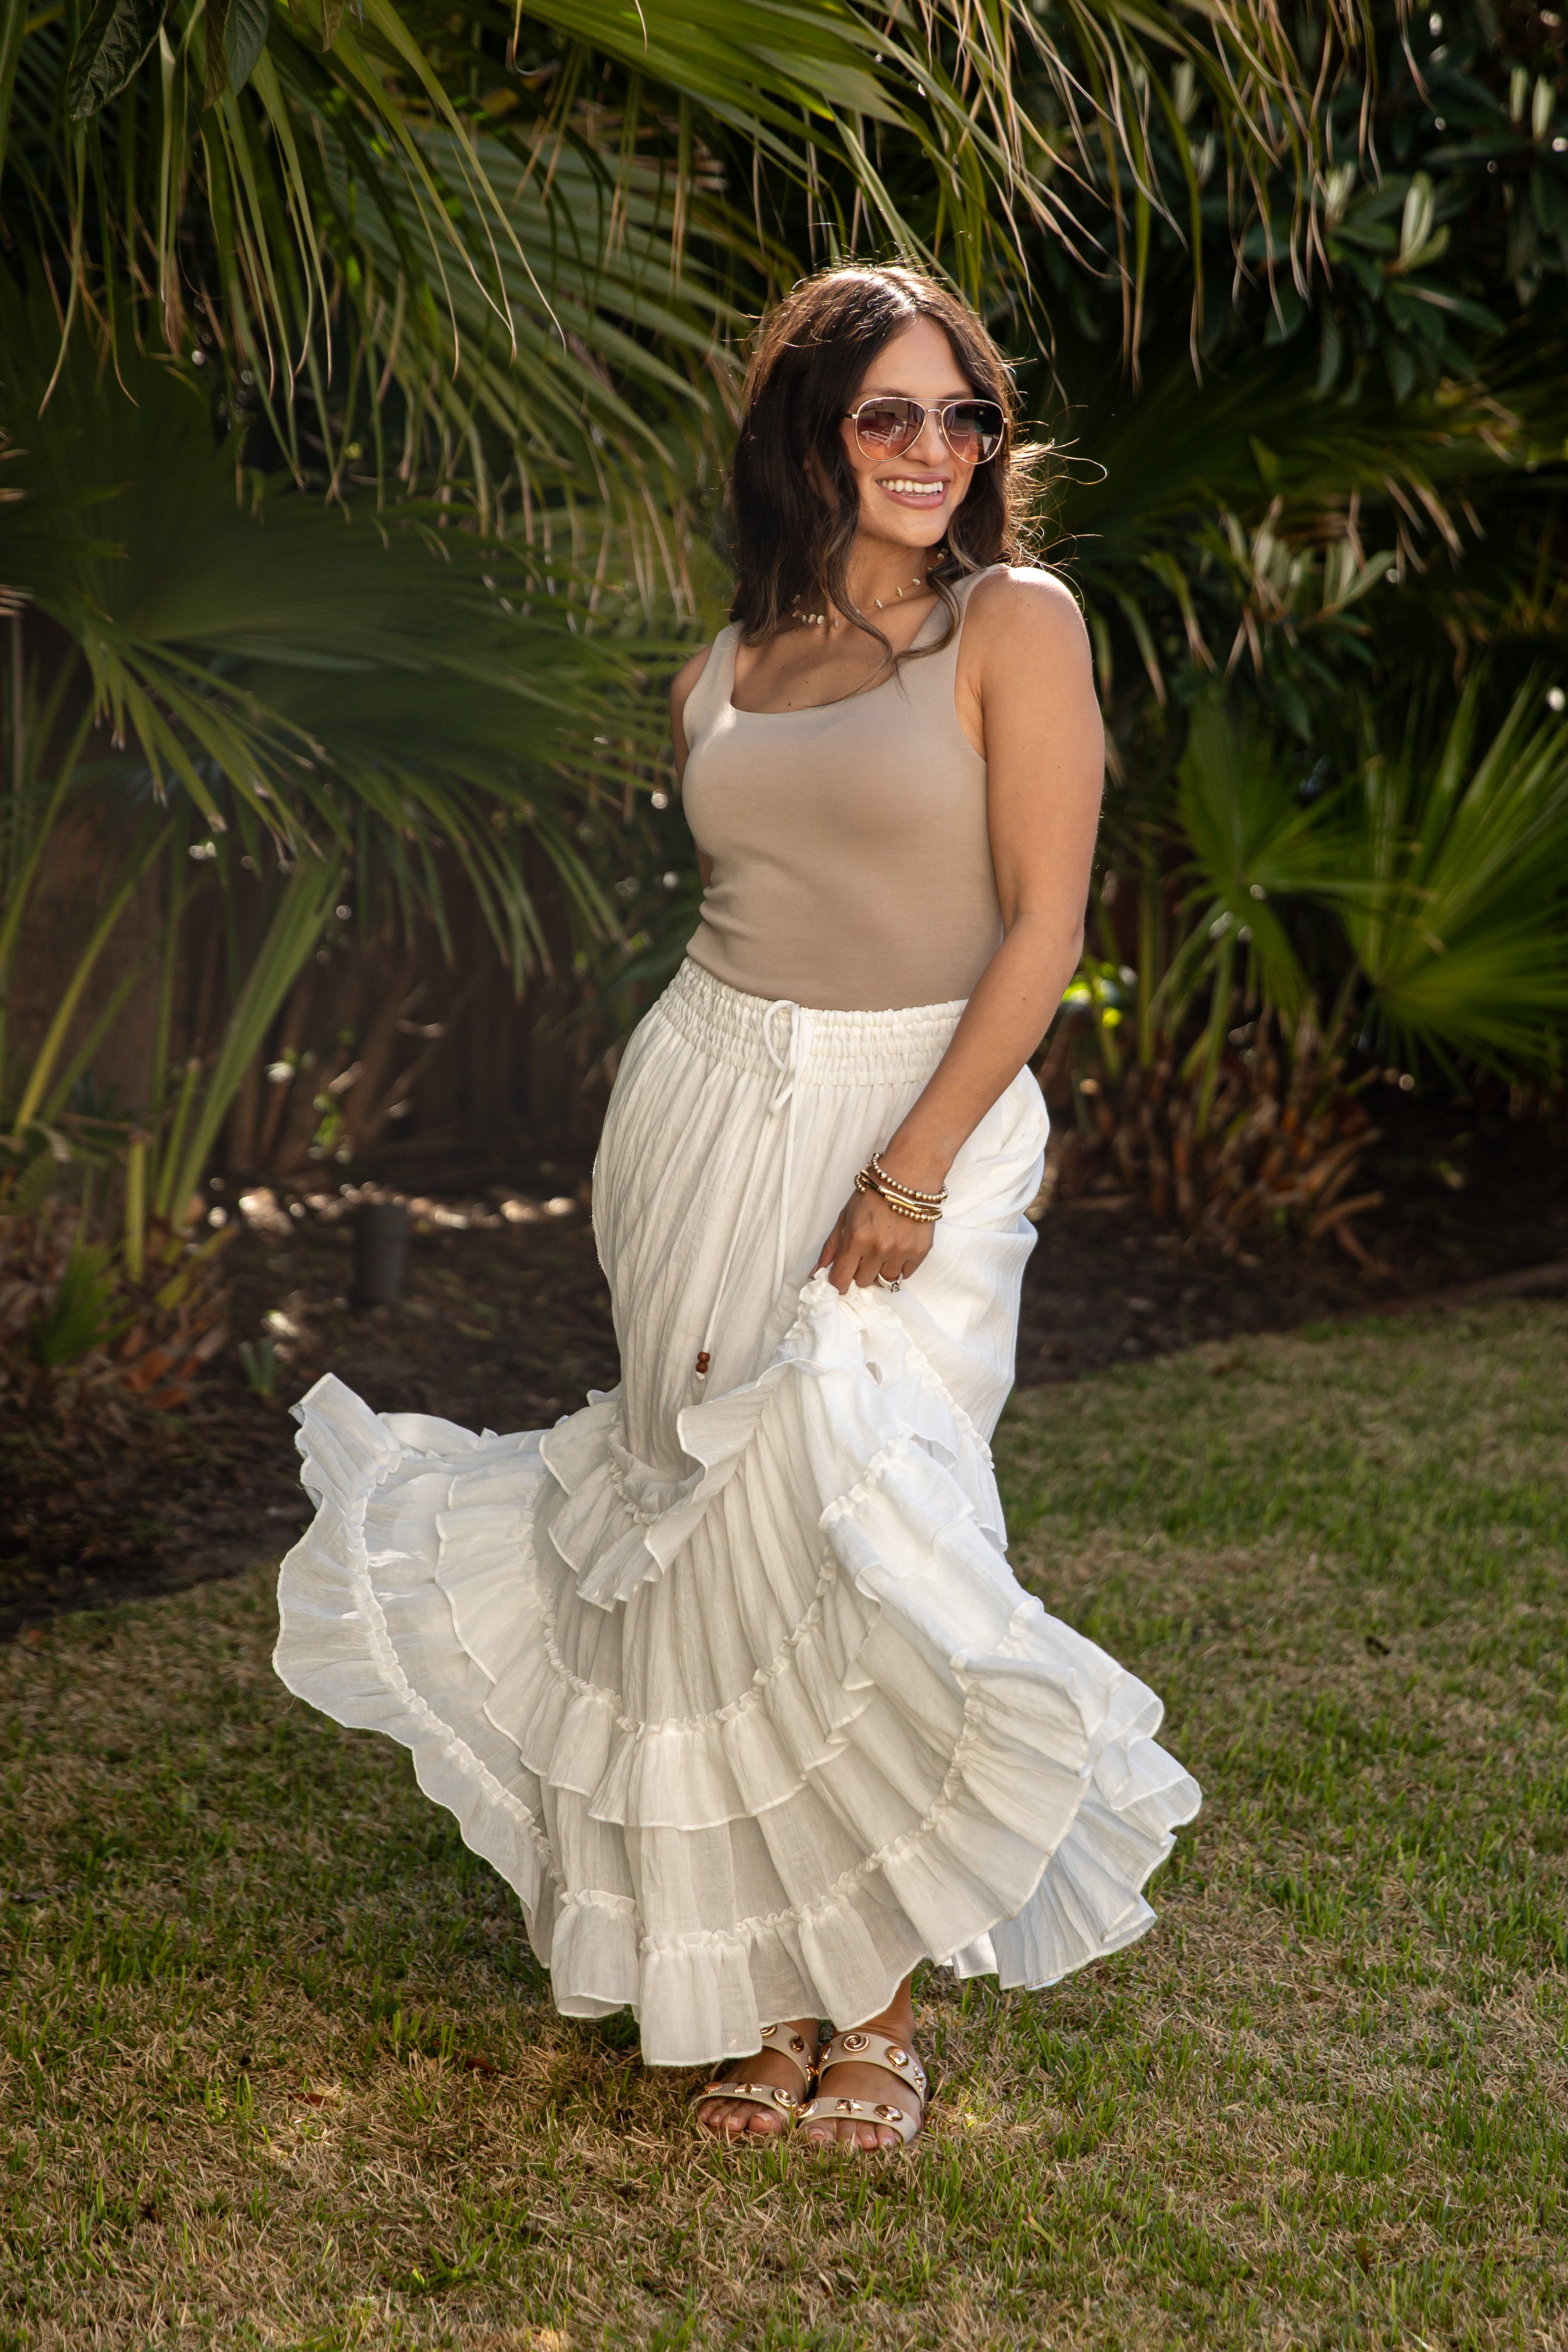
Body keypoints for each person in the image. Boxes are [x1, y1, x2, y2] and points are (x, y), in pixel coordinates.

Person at [274, 264, 1201, 2155]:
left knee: (862, 1520)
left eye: (964, 418)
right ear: (807, 436)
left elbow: (1044, 927)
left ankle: (877, 2012)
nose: (935, 450)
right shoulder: (721, 665)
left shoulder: (1014, 623)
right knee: (699, 1536)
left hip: (913, 1113)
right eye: (889, 417)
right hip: (699, 1098)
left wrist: (912, 1168)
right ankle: (765, 1999)